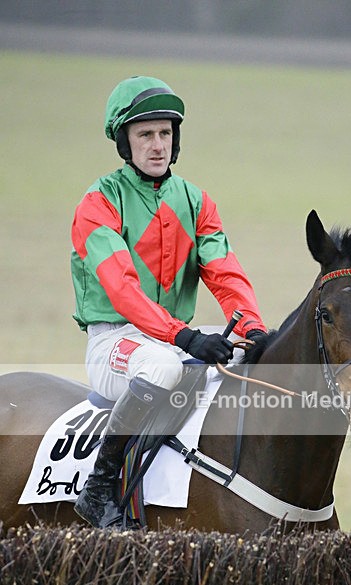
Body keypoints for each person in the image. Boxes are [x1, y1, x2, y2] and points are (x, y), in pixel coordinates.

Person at [71, 75, 267, 528]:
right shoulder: (99, 203)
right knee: (163, 368)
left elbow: (225, 273)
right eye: (145, 134)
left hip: (174, 340)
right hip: (116, 341)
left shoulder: (197, 202)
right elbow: (124, 291)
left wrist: (253, 329)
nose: (158, 145)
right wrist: (185, 335)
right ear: (125, 142)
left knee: (244, 366)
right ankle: (99, 488)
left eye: (165, 133)